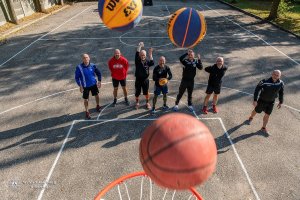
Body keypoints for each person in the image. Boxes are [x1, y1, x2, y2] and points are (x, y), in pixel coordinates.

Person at [75, 54, 102, 119]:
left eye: (87, 57)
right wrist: (80, 85)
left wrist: (99, 81)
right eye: (84, 58)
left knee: (96, 95)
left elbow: (99, 73)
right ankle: (87, 111)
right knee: (86, 99)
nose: (86, 59)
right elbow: (76, 78)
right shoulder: (79, 67)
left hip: (93, 84)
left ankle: (98, 106)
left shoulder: (93, 65)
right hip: (85, 86)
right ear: (82, 59)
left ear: (89, 58)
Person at [134, 42, 154, 109]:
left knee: (146, 92)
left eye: (144, 55)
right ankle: (137, 102)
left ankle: (147, 103)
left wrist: (150, 54)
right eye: (141, 55)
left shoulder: (147, 61)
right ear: (140, 55)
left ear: (145, 56)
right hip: (138, 80)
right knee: (137, 92)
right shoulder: (137, 61)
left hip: (145, 80)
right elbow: (137, 52)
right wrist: (139, 46)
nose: (143, 56)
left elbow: (152, 63)